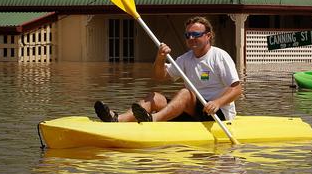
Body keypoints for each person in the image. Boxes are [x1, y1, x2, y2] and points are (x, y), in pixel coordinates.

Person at [94, 16, 243, 123]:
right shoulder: (185, 58)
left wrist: (217, 103)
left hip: (217, 114)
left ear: (208, 36)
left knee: (185, 93)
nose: (191, 38)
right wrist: (160, 57)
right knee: (155, 97)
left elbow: (237, 90)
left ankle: (154, 119)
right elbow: (159, 76)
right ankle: (117, 119)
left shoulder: (219, 56)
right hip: (193, 112)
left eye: (196, 34)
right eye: (188, 35)